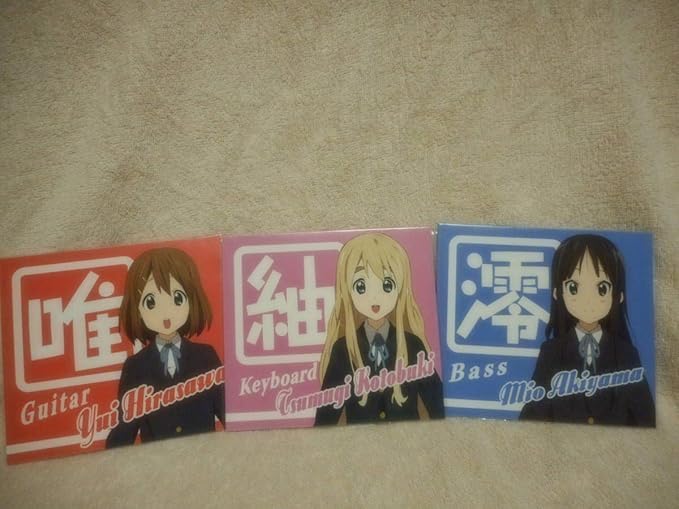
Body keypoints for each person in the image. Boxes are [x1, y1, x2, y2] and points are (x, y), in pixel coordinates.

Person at [519, 234, 655, 426]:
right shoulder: (551, 352)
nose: (588, 300)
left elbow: (645, 416)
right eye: (573, 287)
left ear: (618, 296)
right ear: (558, 292)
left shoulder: (626, 353)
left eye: (602, 288)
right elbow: (532, 413)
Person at [314, 232, 443, 425]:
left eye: (387, 285)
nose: (374, 298)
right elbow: (325, 416)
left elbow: (437, 405)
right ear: (347, 290)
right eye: (361, 286)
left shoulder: (413, 345)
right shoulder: (342, 349)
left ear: (401, 287)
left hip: (408, 436)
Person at [106, 247, 224, 447]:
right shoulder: (135, 366)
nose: (165, 313)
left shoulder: (205, 356)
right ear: (137, 308)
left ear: (191, 299)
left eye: (177, 298)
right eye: (151, 302)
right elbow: (125, 429)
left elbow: (226, 412)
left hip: (205, 455)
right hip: (157, 461)